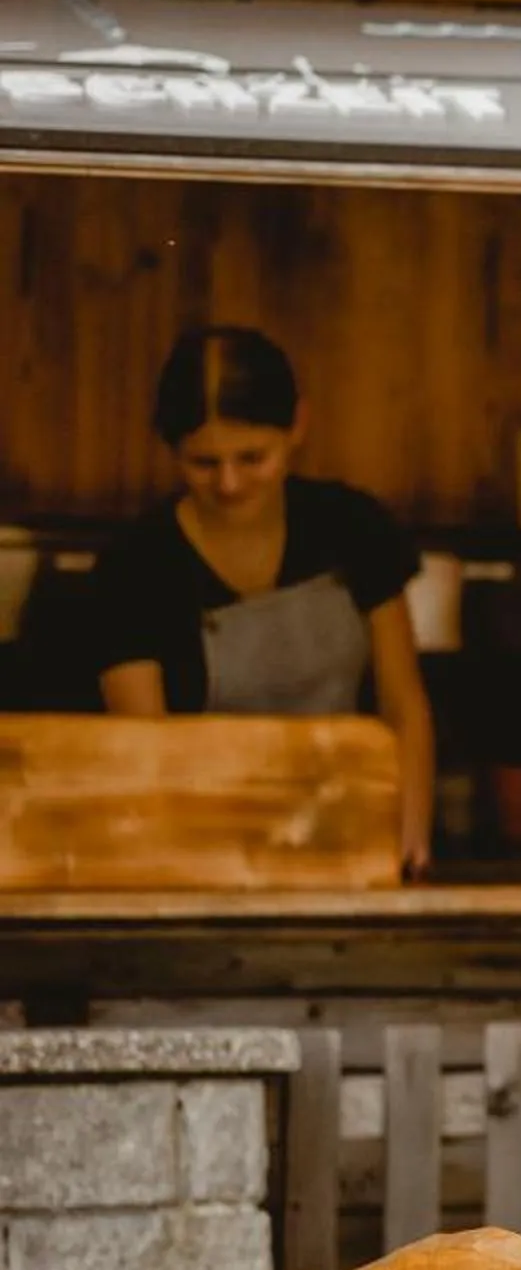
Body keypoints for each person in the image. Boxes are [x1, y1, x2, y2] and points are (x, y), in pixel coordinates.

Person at [88, 325, 437, 877]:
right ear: (170, 448)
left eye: (253, 458)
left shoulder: (354, 527)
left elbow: (403, 705)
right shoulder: (133, 568)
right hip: (201, 853)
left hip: (349, 838)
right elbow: (146, 756)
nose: (228, 484)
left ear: (297, 425)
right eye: (202, 463)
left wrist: (409, 839)